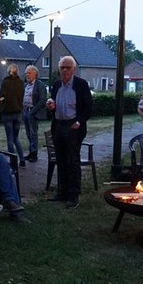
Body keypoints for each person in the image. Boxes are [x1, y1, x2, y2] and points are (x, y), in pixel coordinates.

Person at [46, 56, 93, 209]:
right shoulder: (56, 84)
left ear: (74, 69)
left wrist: (79, 122)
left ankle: (73, 195)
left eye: (68, 67)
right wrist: (51, 105)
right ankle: (62, 192)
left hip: (73, 126)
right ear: (59, 69)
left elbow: (88, 107)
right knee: (60, 160)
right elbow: (54, 103)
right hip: (59, 125)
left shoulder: (80, 84)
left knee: (73, 161)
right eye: (62, 67)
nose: (65, 70)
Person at [0, 63, 27, 166]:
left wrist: (2, 105)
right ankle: (22, 159)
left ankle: (13, 160)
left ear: (8, 71)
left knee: (10, 138)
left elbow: (1, 97)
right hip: (18, 112)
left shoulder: (5, 82)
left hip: (7, 113)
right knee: (16, 137)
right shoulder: (21, 82)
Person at [22, 65, 47, 162]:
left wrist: (32, 112)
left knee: (33, 134)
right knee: (28, 134)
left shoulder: (40, 85)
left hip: (34, 113)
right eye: (26, 73)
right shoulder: (26, 85)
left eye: (29, 73)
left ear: (35, 74)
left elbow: (42, 100)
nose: (27, 75)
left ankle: (34, 154)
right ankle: (31, 152)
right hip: (26, 111)